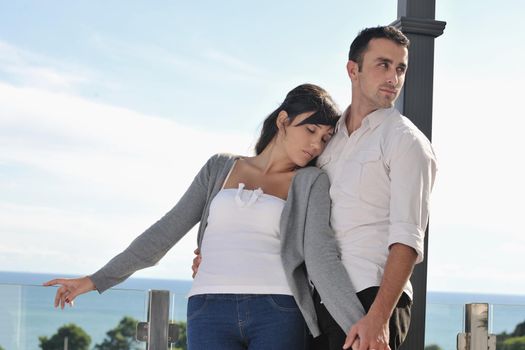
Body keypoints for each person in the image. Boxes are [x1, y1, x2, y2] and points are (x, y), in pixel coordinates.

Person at [44, 83, 365, 350]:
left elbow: (322, 257)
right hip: (208, 309)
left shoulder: (311, 181)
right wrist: (95, 280)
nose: (315, 144)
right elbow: (165, 232)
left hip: (278, 310)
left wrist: (362, 329)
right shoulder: (219, 168)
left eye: (324, 138)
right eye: (310, 129)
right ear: (283, 120)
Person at [311, 26, 438, 350]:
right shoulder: (326, 139)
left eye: (400, 68)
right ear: (353, 70)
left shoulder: (407, 143)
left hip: (370, 298)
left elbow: (408, 240)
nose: (393, 78)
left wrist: (379, 318)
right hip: (317, 299)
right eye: (383, 65)